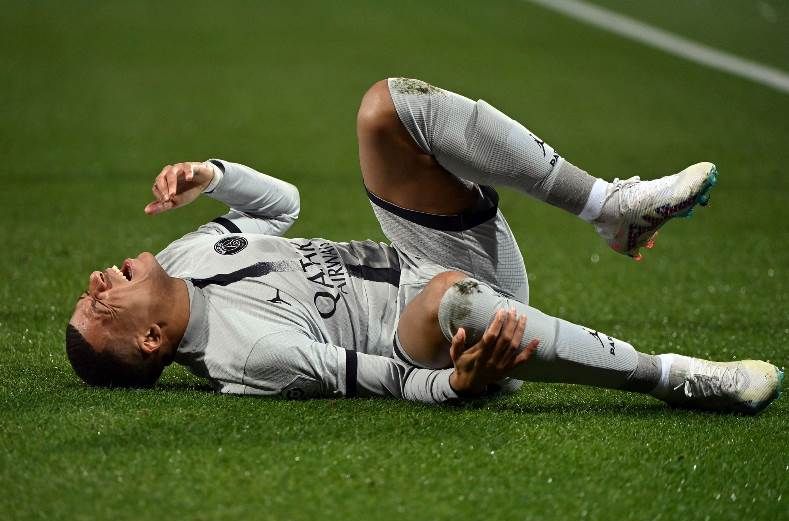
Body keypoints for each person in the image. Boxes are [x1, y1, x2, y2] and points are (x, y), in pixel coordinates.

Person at [66, 78, 782, 413]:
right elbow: (375, 378)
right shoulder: (247, 355)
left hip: (433, 254)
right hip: (435, 336)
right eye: (100, 308)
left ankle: (609, 208)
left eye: (89, 294)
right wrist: (458, 384)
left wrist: (214, 176)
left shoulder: (185, 256)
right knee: (451, 299)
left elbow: (280, 205)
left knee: (384, 109)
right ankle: (675, 377)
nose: (95, 284)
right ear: (153, 339)